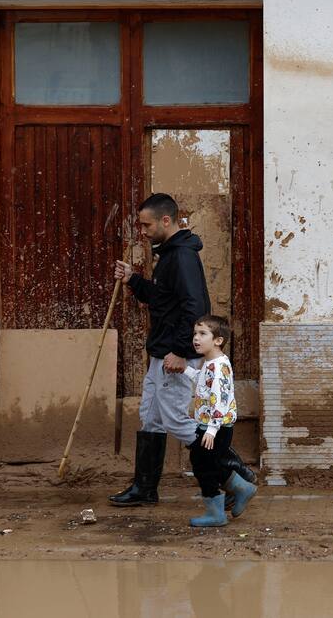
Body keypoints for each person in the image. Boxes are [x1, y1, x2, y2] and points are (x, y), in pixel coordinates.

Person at [109, 193, 254, 507]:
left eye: (147, 225)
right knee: (150, 418)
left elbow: (195, 308)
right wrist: (133, 279)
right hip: (161, 352)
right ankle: (145, 489)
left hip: (172, 354)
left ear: (165, 220)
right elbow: (163, 300)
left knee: (175, 420)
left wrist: (178, 350)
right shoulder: (169, 254)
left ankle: (232, 473)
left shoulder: (183, 256)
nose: (143, 231)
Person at [183, 315, 256, 526]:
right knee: (206, 463)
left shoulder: (219, 367)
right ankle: (242, 489)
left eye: (202, 334)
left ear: (218, 340)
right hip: (208, 426)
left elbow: (221, 400)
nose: (196, 338)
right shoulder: (211, 363)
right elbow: (203, 382)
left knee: (203, 466)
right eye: (195, 333)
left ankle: (217, 513)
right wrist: (185, 370)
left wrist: (212, 430)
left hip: (215, 428)